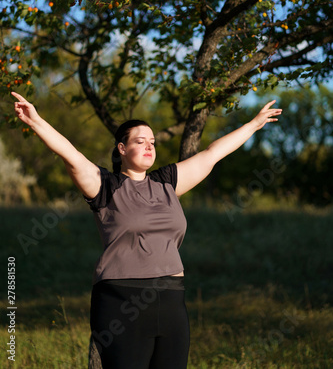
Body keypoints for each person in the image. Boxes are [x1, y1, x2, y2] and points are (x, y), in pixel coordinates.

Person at [11, 91, 282, 369]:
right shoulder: (105, 186)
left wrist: (254, 123)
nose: (149, 146)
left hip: (172, 299)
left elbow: (212, 154)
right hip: (121, 301)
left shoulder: (167, 182)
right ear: (121, 149)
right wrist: (36, 121)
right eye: (140, 141)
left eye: (152, 141)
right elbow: (71, 155)